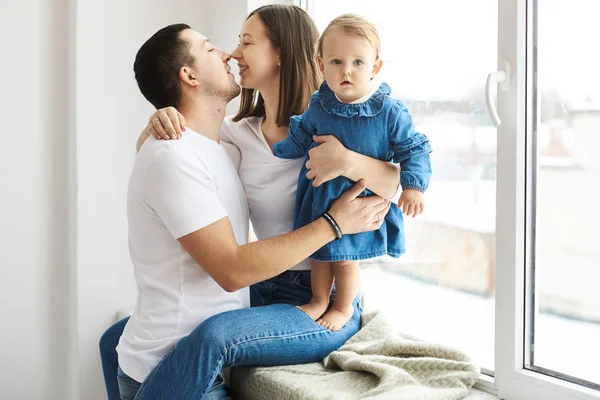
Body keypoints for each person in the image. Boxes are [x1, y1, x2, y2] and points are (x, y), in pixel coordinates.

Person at [101, 5, 401, 399]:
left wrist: (346, 160)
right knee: (114, 340)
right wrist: (156, 121)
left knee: (214, 336)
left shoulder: (331, 125)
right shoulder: (236, 134)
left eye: (246, 42)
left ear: (281, 53)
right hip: (263, 284)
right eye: (228, 45)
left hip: (324, 293)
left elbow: (395, 182)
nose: (233, 53)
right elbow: (175, 157)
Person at [272, 14, 432, 331]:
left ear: (375, 67)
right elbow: (303, 134)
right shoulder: (319, 104)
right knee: (319, 254)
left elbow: (413, 148)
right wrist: (281, 149)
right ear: (321, 65)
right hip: (321, 198)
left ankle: (344, 306)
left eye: (358, 62)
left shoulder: (388, 110)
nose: (346, 70)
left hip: (358, 202)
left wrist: (414, 187)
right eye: (336, 61)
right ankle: (319, 300)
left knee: (345, 257)